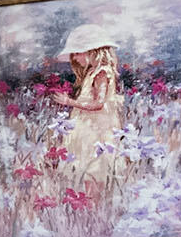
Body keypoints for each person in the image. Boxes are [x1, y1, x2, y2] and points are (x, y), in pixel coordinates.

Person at [45, 23, 125, 158]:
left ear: (92, 51)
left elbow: (98, 104)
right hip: (87, 122)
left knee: (92, 158)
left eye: (77, 53)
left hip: (96, 126)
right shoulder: (92, 72)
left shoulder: (102, 73)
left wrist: (69, 102)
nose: (74, 58)